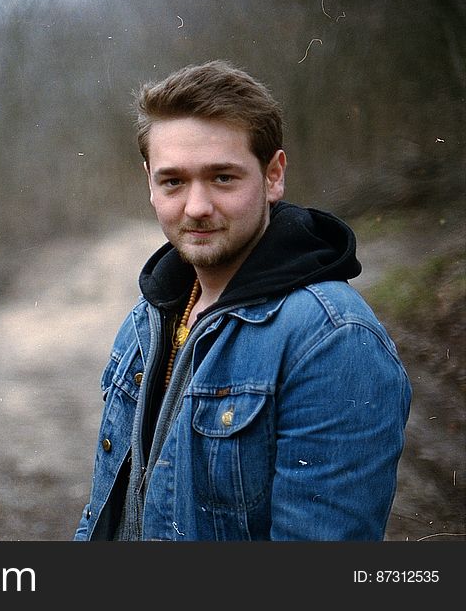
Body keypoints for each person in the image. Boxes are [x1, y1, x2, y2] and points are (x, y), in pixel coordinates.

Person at [73, 60, 412, 541]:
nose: (196, 207)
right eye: (173, 181)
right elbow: (102, 517)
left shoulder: (332, 340)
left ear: (273, 176)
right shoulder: (145, 321)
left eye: (223, 178)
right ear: (149, 181)